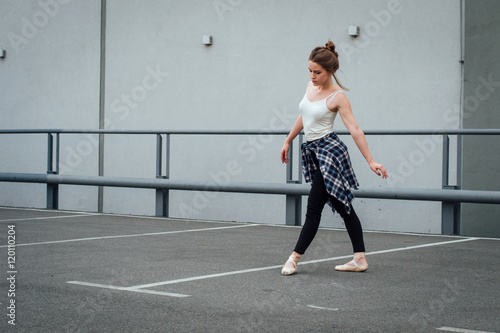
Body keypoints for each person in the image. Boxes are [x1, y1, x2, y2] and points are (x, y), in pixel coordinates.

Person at [280, 40, 388, 275]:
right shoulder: (310, 87)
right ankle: (359, 258)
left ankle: (294, 258)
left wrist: (371, 160)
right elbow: (304, 115)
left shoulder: (338, 97)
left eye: (317, 72)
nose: (312, 76)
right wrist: (288, 140)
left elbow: (355, 130)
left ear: (330, 71)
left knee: (313, 208)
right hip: (313, 152)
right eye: (309, 71)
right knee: (343, 206)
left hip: (329, 153)